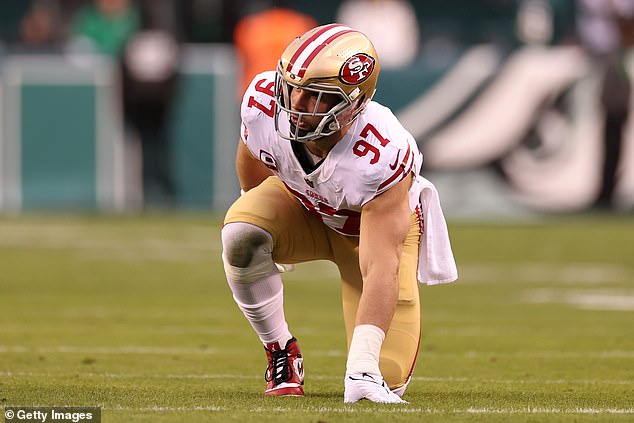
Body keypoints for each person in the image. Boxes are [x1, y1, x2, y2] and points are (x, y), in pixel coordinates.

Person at [221, 24, 458, 403]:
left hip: (365, 235)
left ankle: (365, 366)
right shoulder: (264, 103)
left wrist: (363, 367)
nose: (294, 104)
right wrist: (262, 232)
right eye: (292, 88)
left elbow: (381, 267)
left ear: (352, 105)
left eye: (314, 97)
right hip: (302, 206)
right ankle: (281, 350)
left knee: (384, 377)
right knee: (241, 235)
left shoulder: (380, 153)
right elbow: (253, 160)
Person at [233, 0, 317, 97]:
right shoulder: (303, 24)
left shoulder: (249, 25)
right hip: (289, 93)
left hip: (255, 91)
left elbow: (242, 64)